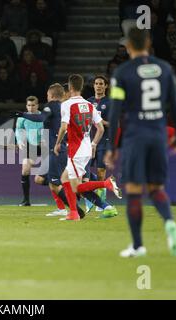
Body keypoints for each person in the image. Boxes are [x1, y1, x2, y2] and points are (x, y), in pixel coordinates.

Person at [105, 27, 176, 258]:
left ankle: (138, 246)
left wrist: (112, 147)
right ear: (148, 43)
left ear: (128, 45)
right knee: (156, 188)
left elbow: (115, 111)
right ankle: (169, 221)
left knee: (133, 191)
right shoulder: (164, 68)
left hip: (135, 137)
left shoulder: (122, 72)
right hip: (158, 135)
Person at [54, 74, 121, 221]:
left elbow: (64, 127)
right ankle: (74, 212)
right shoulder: (89, 105)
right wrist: (93, 144)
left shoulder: (67, 105)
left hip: (75, 149)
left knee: (76, 187)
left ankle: (106, 183)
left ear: (70, 87)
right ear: (82, 87)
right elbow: (101, 128)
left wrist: (58, 143)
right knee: (65, 178)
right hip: (86, 148)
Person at [14, 83, 85, 217]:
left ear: (51, 95)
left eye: (47, 94)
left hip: (56, 150)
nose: (47, 96)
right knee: (42, 180)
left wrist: (22, 114)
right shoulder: (63, 107)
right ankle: (74, 205)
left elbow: (40, 117)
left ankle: (76, 210)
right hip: (60, 149)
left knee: (55, 184)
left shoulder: (51, 106)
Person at [85, 75, 111, 213]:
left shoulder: (111, 102)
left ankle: (101, 202)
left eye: (101, 83)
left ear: (106, 86)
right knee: (85, 172)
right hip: (88, 141)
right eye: (96, 83)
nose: (99, 86)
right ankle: (89, 199)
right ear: (93, 86)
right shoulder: (88, 102)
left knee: (101, 172)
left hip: (103, 141)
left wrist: (99, 120)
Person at [15, 96, 44, 206]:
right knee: (25, 169)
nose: (31, 108)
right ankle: (26, 200)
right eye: (28, 105)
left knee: (53, 172)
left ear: (37, 105)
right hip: (31, 145)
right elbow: (18, 130)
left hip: (45, 144)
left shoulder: (43, 116)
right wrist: (19, 141)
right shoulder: (22, 118)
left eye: (33, 105)